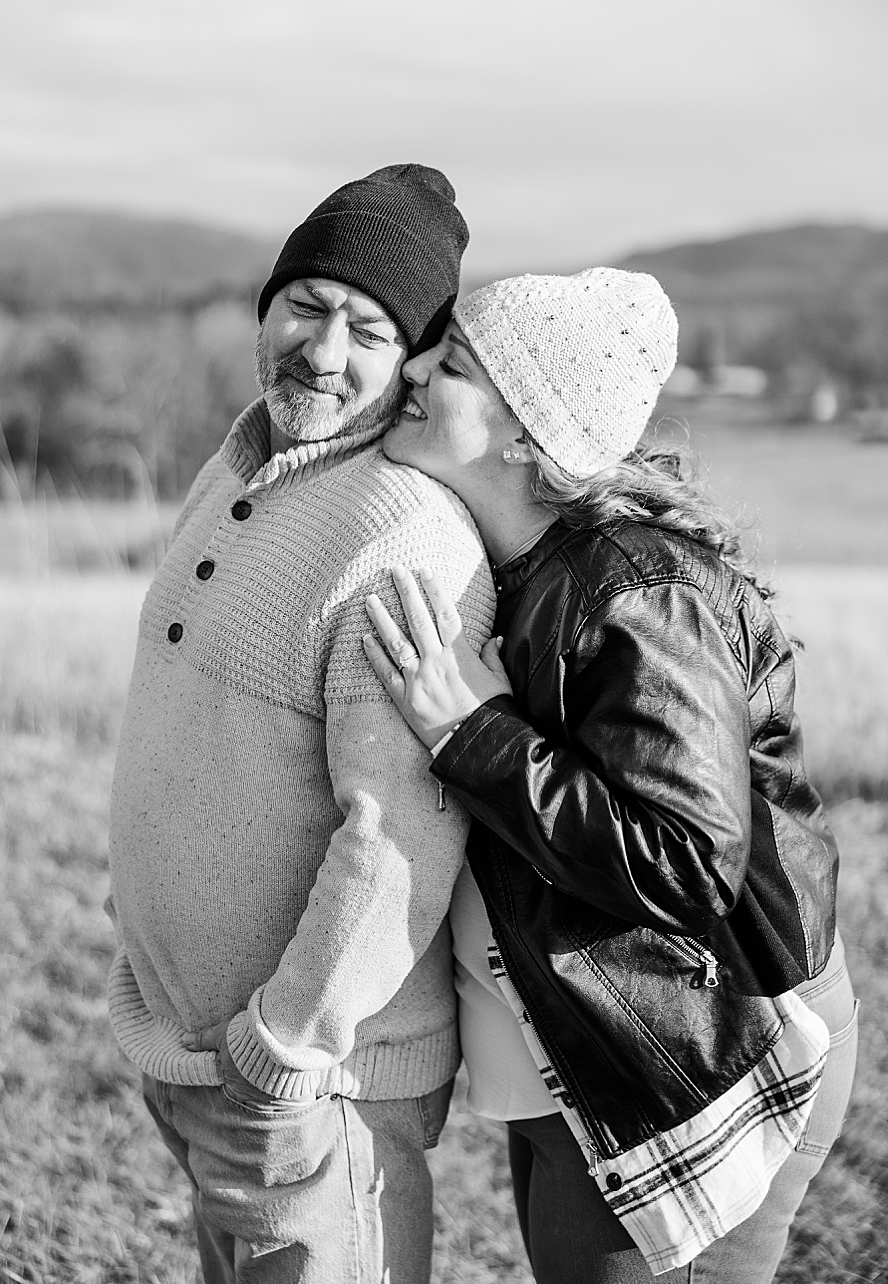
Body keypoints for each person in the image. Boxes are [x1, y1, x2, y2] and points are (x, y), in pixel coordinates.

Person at [362, 266, 858, 1283]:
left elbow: (685, 862)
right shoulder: (523, 572)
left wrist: (478, 735)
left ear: (524, 435)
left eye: (449, 363)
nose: (410, 367)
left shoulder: (638, 588)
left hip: (702, 1055)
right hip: (586, 1052)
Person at [105, 164, 496, 1284]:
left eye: (369, 329)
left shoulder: (402, 536)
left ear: (414, 359)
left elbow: (402, 843)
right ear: (265, 307)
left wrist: (281, 1047)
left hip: (313, 1083)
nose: (324, 352)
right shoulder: (241, 466)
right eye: (307, 307)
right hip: (195, 1049)